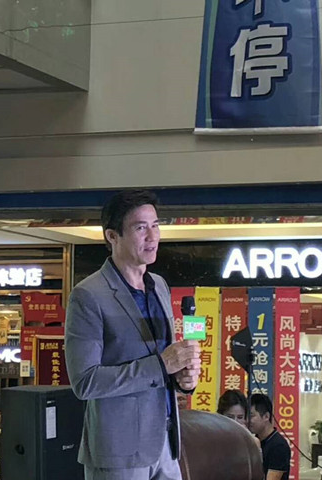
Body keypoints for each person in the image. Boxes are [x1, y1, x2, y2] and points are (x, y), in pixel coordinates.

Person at [65, 190, 202, 480]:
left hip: (166, 444)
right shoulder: (88, 295)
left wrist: (182, 379)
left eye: (156, 225)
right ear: (112, 236)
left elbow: (162, 366)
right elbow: (85, 382)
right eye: (141, 228)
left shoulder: (159, 286)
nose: (152, 237)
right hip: (119, 453)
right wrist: (162, 365)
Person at [248, 393, 291, 480]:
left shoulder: (278, 446)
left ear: (266, 416)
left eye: (251, 416)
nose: (248, 420)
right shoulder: (254, 440)